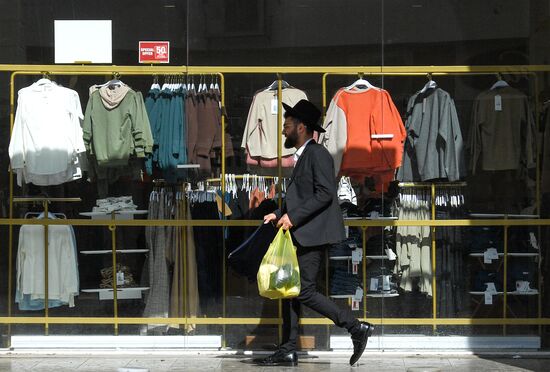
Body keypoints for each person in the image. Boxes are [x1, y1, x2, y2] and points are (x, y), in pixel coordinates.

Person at [259, 100, 374, 367]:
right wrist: (279, 212)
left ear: (301, 127)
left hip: (312, 236)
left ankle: (356, 327)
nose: (283, 131)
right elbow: (303, 196)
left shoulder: (318, 154)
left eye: (286, 126)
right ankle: (288, 348)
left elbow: (325, 194)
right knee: (289, 291)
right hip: (302, 234)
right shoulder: (305, 155)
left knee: (303, 291)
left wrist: (293, 216)